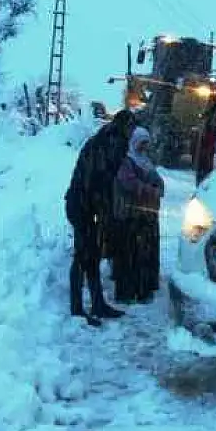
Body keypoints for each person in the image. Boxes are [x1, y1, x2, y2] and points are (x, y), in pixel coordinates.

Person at [64, 109, 136, 327]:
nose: (132, 133)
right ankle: (77, 308)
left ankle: (97, 304)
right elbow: (99, 181)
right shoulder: (112, 142)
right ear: (125, 126)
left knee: (92, 255)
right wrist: (104, 212)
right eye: (131, 127)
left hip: (84, 204)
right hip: (81, 205)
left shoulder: (105, 139)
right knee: (82, 255)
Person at [112, 127, 165, 303]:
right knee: (130, 254)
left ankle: (144, 289)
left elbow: (158, 180)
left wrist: (158, 188)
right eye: (142, 143)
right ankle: (127, 292)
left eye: (146, 143)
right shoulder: (125, 161)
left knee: (145, 253)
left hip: (147, 215)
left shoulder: (145, 161)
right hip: (130, 216)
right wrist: (150, 191)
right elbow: (129, 183)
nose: (144, 147)